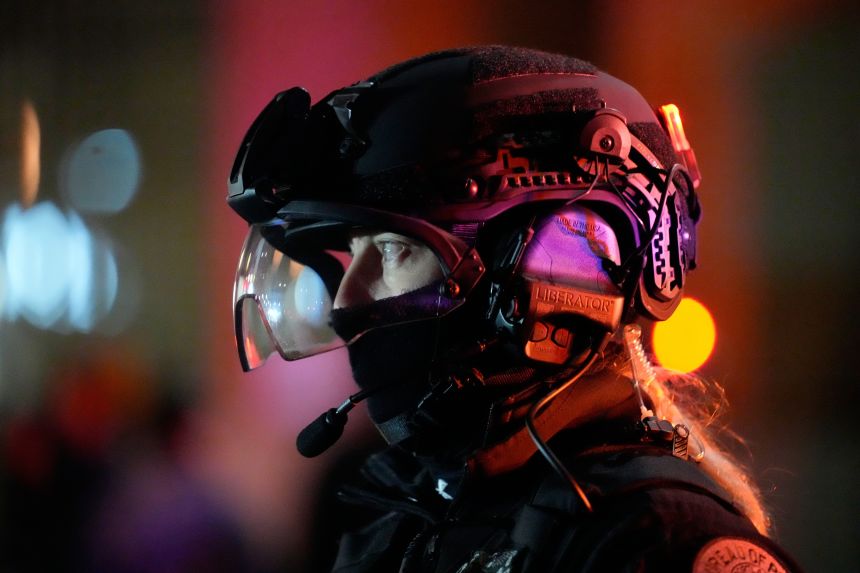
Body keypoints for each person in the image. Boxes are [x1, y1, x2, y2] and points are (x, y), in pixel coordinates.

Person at [226, 46, 803, 572]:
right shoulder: (409, 516)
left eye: (394, 249)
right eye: (352, 251)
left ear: (568, 258)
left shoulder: (657, 544)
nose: (346, 300)